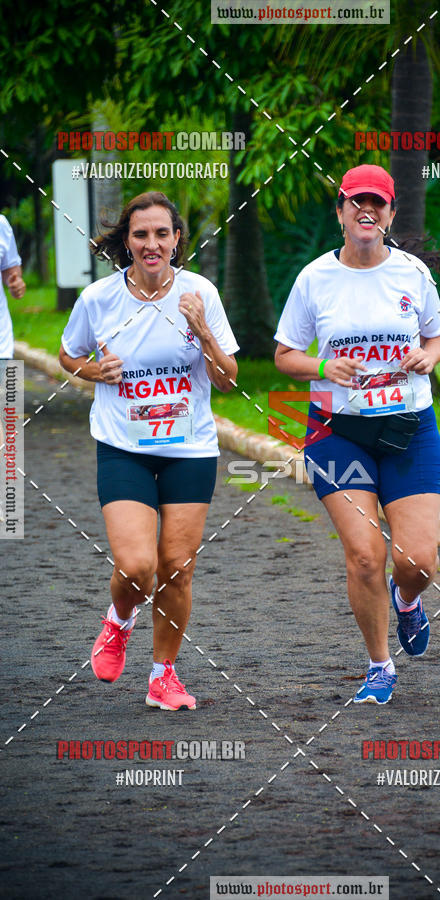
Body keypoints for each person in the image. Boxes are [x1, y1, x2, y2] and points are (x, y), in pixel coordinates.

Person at [274, 164, 440, 705]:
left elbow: (439, 337)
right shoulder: (314, 279)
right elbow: (284, 356)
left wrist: (428, 357)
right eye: (356, 201)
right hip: (337, 431)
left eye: (378, 202)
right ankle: (379, 666)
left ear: (391, 214)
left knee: (417, 562)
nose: (366, 210)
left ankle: (407, 600)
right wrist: (323, 367)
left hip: (408, 427)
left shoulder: (412, 274)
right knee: (366, 556)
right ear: (341, 213)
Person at [59, 191, 239, 710]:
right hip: (125, 446)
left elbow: (228, 379)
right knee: (138, 565)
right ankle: (119, 619)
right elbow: (68, 355)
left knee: (176, 567)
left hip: (189, 448)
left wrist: (202, 330)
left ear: (177, 239)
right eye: (141, 234)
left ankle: (164, 676)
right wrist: (95, 371)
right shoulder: (99, 299)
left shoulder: (200, 292)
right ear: (128, 241)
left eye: (162, 233)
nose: (152, 243)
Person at [0, 214, 27, 359]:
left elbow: (11, 270)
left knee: (12, 374)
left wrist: (16, 283)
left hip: (2, 345)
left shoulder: (1, 223)